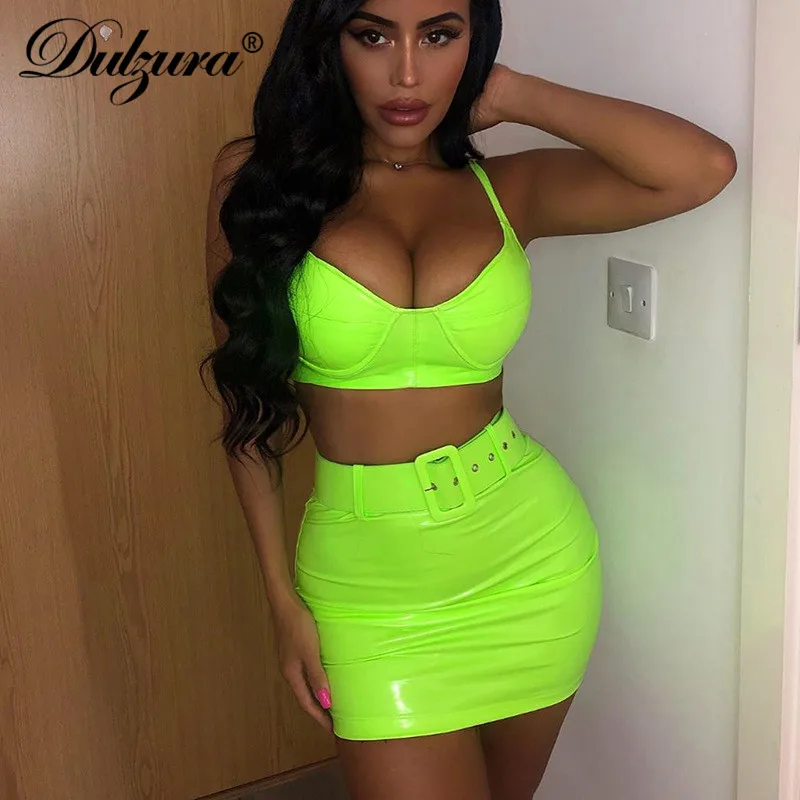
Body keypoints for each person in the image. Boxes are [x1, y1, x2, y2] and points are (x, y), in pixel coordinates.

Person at [201, 1, 737, 797]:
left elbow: (701, 168)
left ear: (473, 45)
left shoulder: (506, 189)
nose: (407, 72)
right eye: (373, 35)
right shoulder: (258, 186)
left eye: (440, 36)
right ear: (328, 44)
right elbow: (245, 415)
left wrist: (512, 92)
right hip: (368, 587)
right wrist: (282, 602)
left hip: (530, 562)